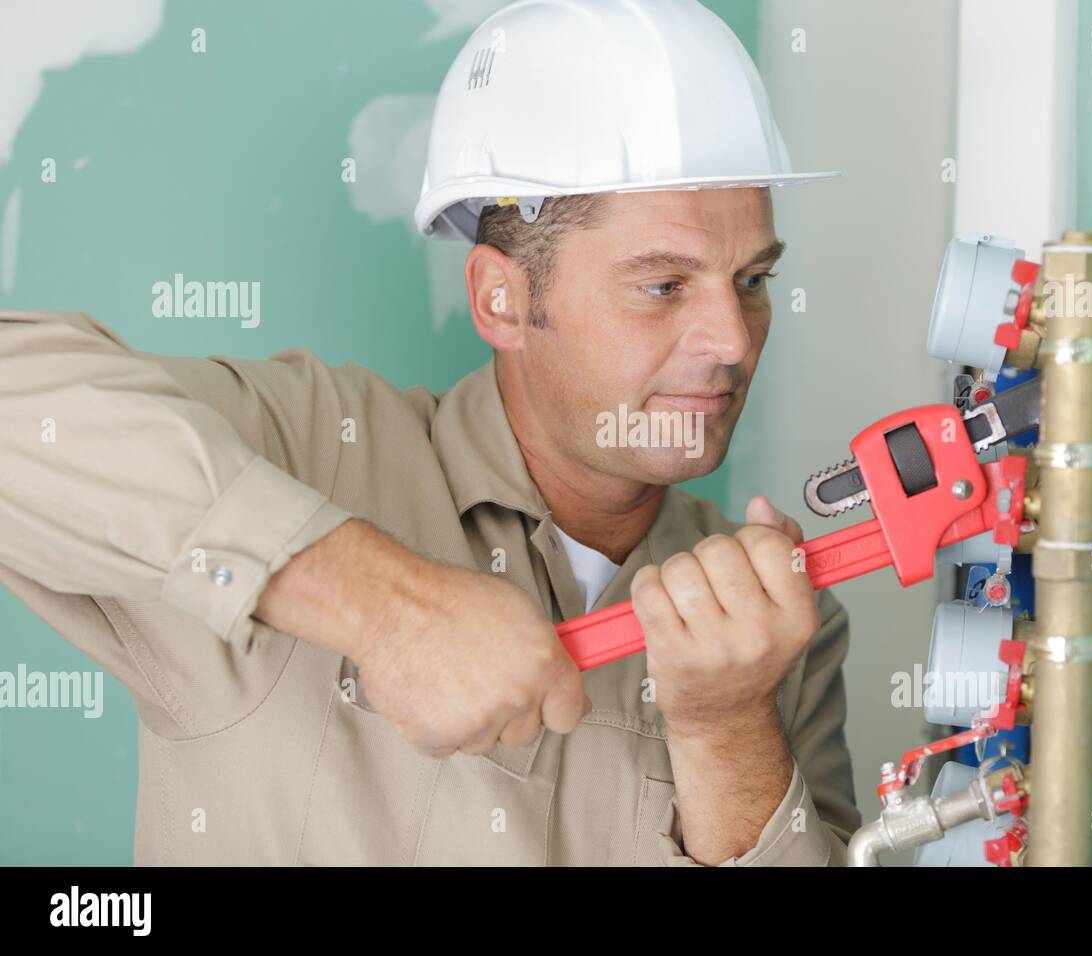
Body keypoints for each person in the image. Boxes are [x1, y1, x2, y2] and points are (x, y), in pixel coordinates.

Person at [0, 0, 858, 866]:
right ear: (501, 299)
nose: (735, 339)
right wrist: (381, 606)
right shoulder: (306, 451)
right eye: (664, 286)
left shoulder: (776, 621)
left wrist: (727, 730)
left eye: (751, 279)